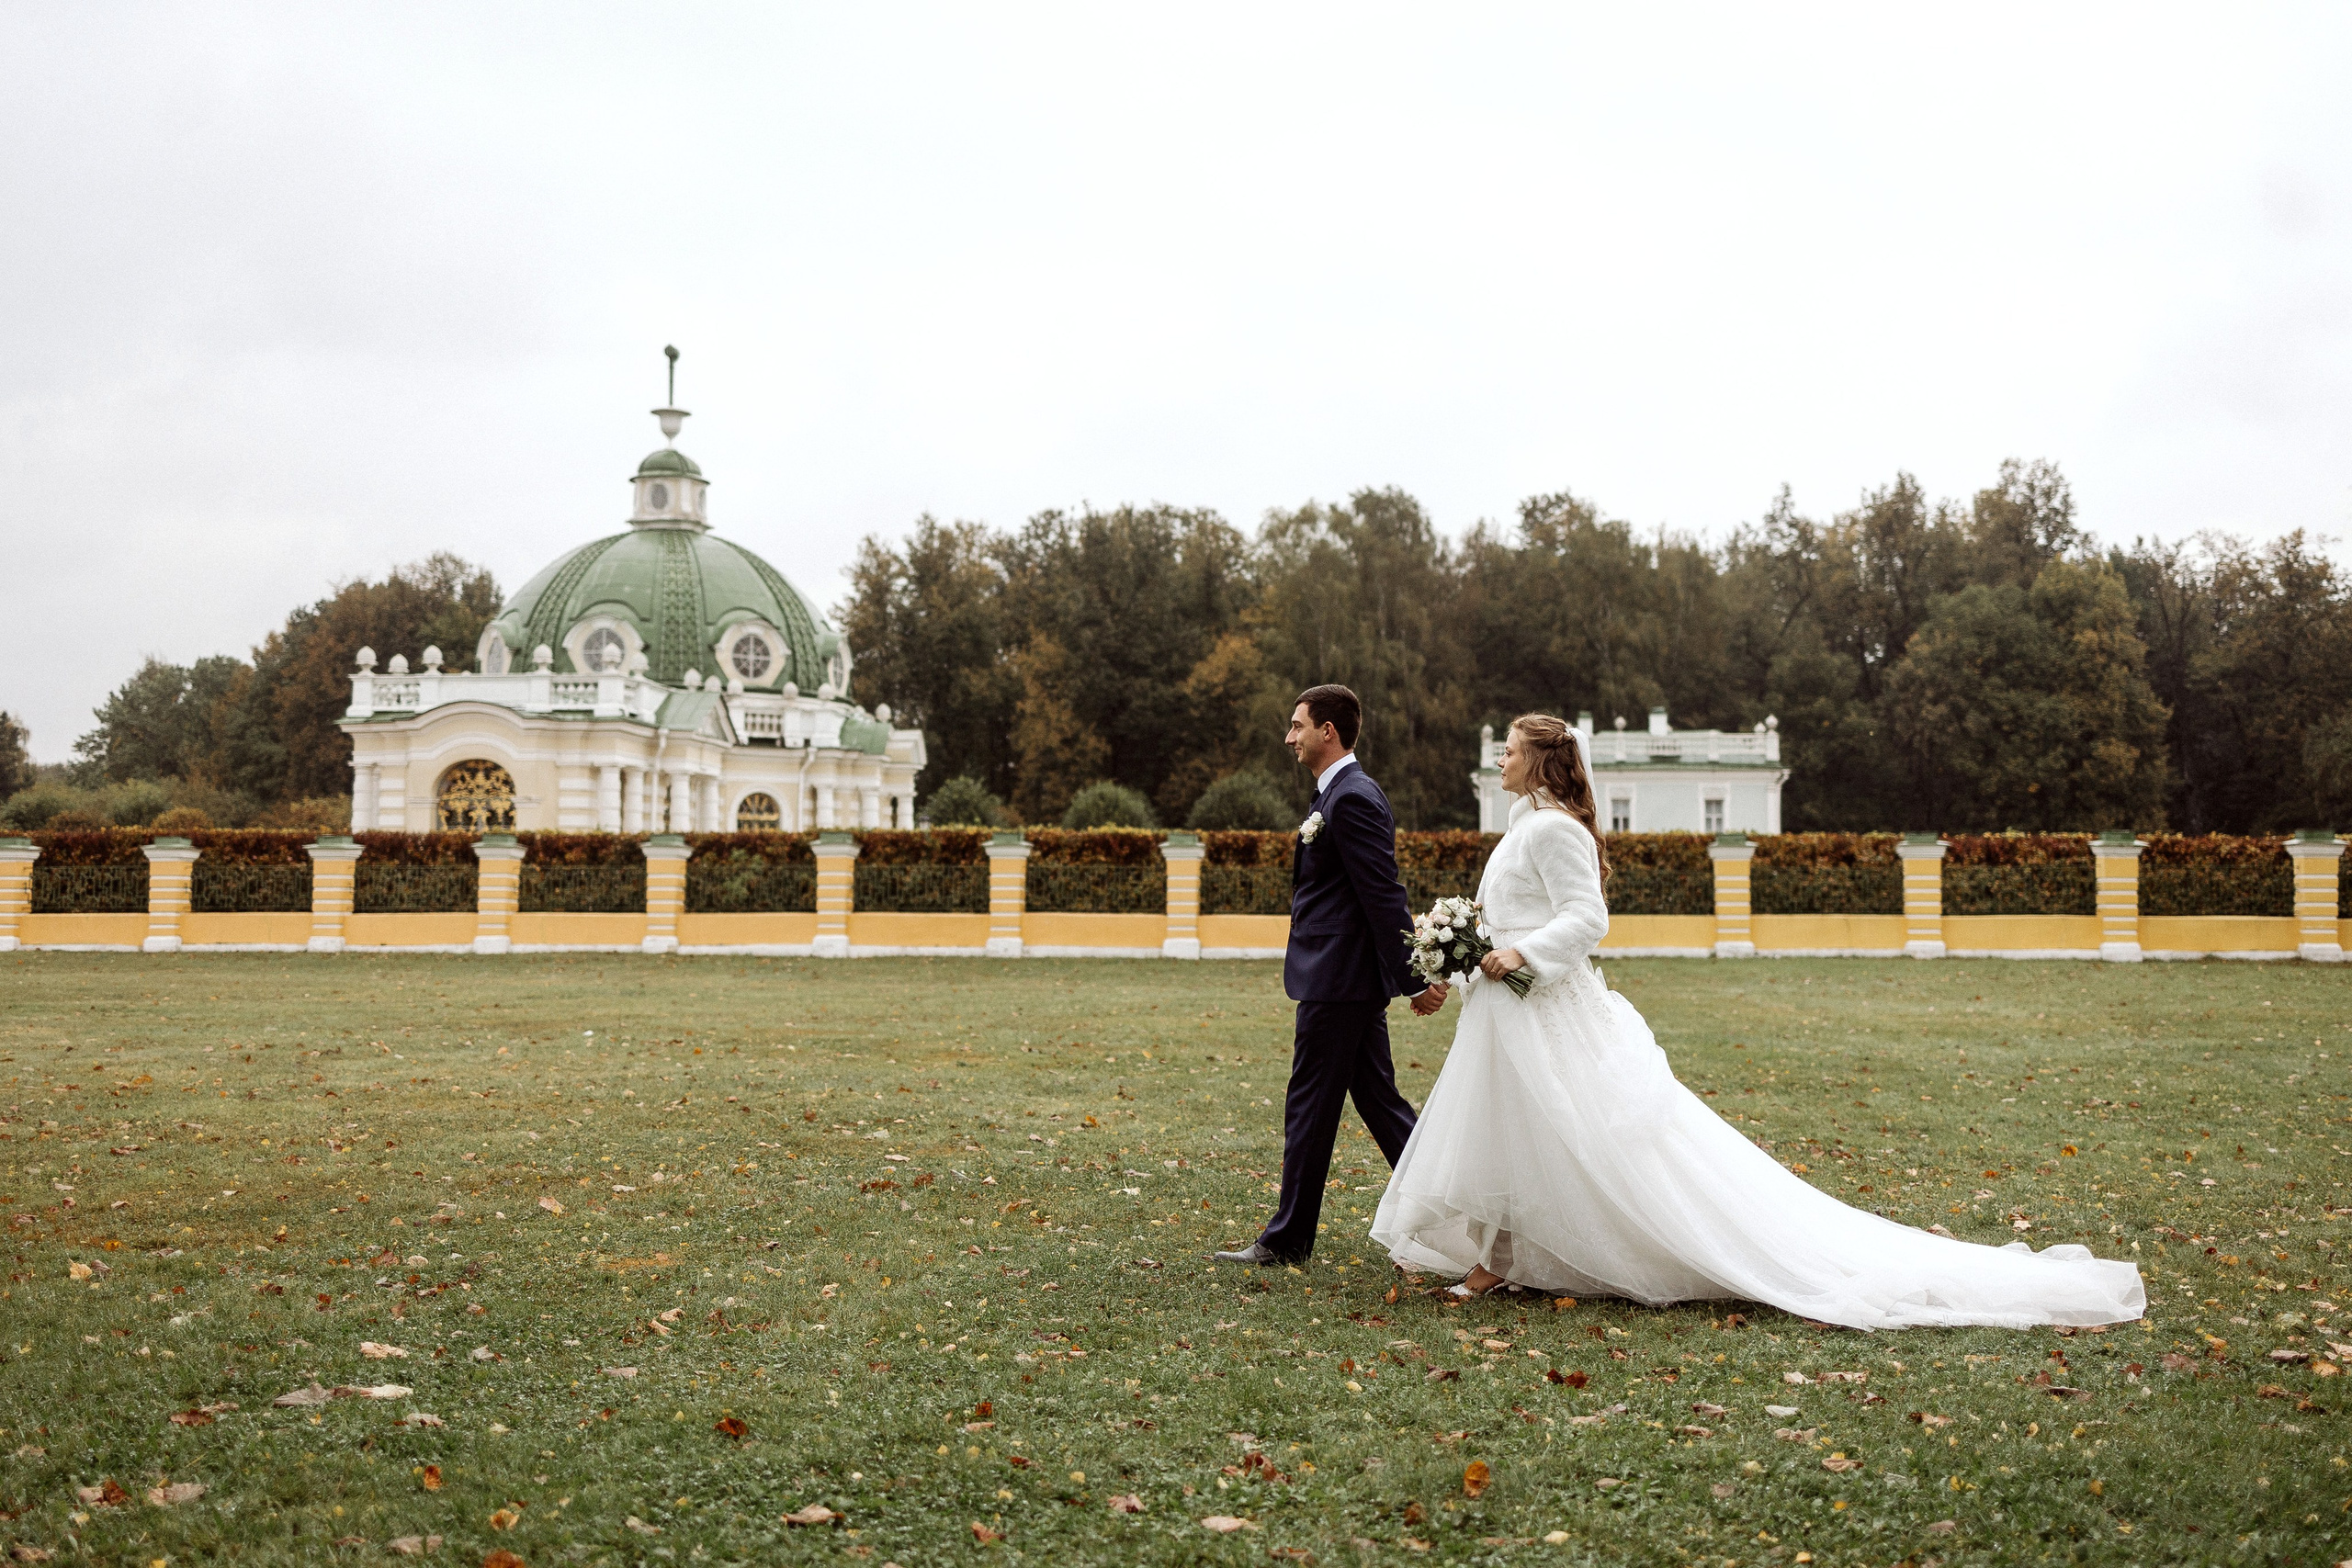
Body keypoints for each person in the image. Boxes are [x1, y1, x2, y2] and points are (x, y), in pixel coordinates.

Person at [1369, 713, 2145, 1329]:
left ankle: (1638, 1245)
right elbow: (1518, 912)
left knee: (1601, 1142)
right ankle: (1499, 1259)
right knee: (1519, 1134)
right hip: (1510, 1018)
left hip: (1549, 1013)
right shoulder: (1523, 829)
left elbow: (1586, 920)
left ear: (1538, 763)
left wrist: (1519, 956)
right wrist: (1466, 953)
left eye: (1508, 750)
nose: (1498, 759)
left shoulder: (1558, 830)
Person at [1214, 684, 1448, 1268]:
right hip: (1341, 980)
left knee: (1311, 1104)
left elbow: (1382, 895)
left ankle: (1288, 1239)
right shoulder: (1336, 795)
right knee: (1380, 1104)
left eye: (1298, 726)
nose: (1289, 737)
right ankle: (1453, 1215)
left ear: (1329, 732)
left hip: (1340, 982)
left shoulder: (1352, 798)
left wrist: (1414, 978)